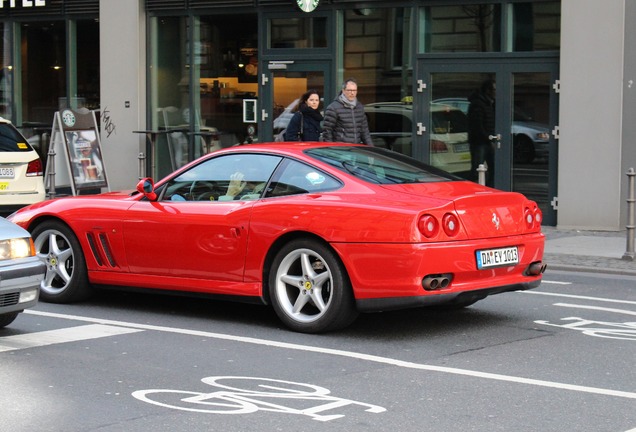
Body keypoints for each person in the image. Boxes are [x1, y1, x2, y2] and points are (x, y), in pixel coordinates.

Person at [322, 78, 373, 145]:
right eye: (349, 90)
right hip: (340, 149)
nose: (352, 93)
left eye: (354, 90)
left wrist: (371, 148)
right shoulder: (333, 108)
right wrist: (332, 149)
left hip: (356, 148)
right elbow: (327, 132)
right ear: (343, 90)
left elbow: (365, 131)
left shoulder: (359, 107)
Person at [468, 79, 497, 187]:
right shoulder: (478, 104)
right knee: (477, 168)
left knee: (493, 167)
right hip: (479, 142)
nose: (496, 92)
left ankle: (490, 189)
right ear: (488, 90)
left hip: (487, 140)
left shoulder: (490, 103)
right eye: (494, 90)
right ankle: (472, 189)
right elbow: (477, 126)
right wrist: (488, 138)